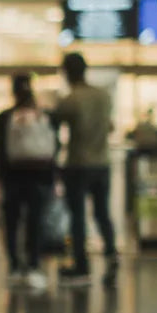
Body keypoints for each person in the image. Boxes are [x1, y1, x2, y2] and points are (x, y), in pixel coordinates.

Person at [0, 74, 56, 291]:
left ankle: (14, 266)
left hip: (12, 177)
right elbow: (54, 146)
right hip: (39, 177)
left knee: (12, 222)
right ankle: (33, 264)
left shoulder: (6, 117)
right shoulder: (43, 116)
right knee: (35, 222)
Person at [55, 52, 118, 287]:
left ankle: (81, 266)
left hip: (78, 164)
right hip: (102, 163)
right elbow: (110, 127)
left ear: (68, 72)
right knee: (102, 214)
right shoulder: (104, 97)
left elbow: (55, 124)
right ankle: (111, 257)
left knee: (78, 217)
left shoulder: (71, 99)